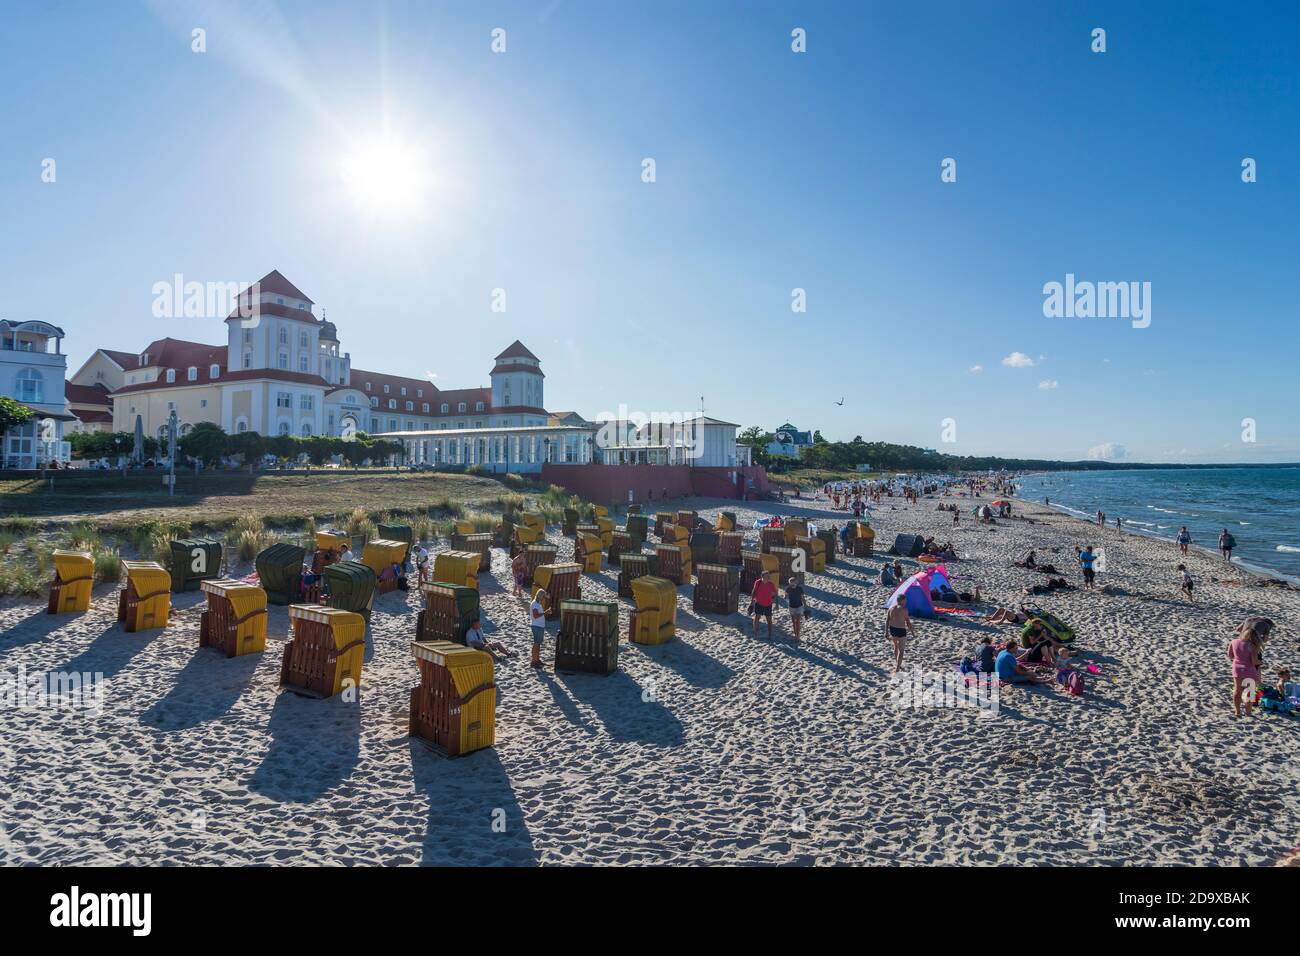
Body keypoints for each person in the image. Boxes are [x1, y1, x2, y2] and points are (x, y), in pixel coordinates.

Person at [1228, 619, 1268, 717]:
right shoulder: (1253, 645)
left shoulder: (1234, 641)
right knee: (1249, 692)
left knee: (1237, 690)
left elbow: (1230, 655)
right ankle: (1248, 713)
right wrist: (1261, 662)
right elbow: (1254, 661)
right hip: (1249, 670)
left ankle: (1237, 711)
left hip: (1237, 668)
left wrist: (1238, 659)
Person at [883, 597, 916, 674]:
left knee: (896, 646)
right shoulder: (904, 610)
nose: (906, 602)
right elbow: (908, 622)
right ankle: (897, 668)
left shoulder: (891, 608)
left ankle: (897, 663)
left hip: (893, 630)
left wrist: (886, 632)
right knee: (901, 650)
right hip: (901, 630)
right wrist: (912, 632)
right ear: (902, 601)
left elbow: (887, 620)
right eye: (905, 600)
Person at [750, 573, 777, 638]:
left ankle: (769, 634)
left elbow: (774, 594)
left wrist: (775, 601)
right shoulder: (758, 582)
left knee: (769, 619)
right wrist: (752, 602)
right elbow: (754, 591)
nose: (767, 578)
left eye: (768, 576)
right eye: (766, 576)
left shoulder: (771, 584)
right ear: (762, 576)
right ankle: (755, 632)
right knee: (757, 617)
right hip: (758, 602)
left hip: (768, 604)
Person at [529, 589, 549, 669]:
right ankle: (534, 661)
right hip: (536, 626)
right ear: (541, 596)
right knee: (536, 644)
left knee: (538, 644)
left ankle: (537, 660)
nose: (544, 598)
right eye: (543, 597)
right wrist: (545, 612)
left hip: (539, 626)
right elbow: (536, 616)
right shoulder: (535, 604)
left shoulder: (537, 603)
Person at [785, 577, 806, 642]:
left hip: (799, 606)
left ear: (796, 582)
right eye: (791, 582)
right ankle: (795, 635)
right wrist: (786, 597)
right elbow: (786, 597)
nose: (792, 583)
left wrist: (805, 605)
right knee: (794, 622)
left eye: (794, 582)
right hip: (791, 606)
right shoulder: (788, 589)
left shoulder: (800, 588)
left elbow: (802, 597)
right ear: (789, 583)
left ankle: (798, 635)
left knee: (798, 622)